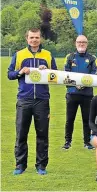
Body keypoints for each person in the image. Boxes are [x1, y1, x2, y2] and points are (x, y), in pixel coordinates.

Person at [7, 28, 57, 175]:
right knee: (21, 134)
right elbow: (10, 74)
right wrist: (21, 72)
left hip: (42, 100)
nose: (34, 40)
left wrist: (46, 70)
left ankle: (41, 166)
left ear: (40, 38)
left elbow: (56, 74)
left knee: (42, 134)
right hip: (24, 99)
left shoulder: (47, 55)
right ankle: (20, 165)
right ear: (27, 39)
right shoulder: (19, 55)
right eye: (31, 37)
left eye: (37, 37)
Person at [62, 35, 97, 150]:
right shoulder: (69, 57)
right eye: (79, 42)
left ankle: (87, 142)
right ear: (75, 43)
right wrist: (75, 84)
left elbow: (94, 74)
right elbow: (65, 74)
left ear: (87, 44)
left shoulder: (93, 58)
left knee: (87, 119)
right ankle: (67, 142)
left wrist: (84, 84)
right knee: (70, 119)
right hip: (72, 93)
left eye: (84, 42)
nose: (81, 44)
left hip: (87, 94)